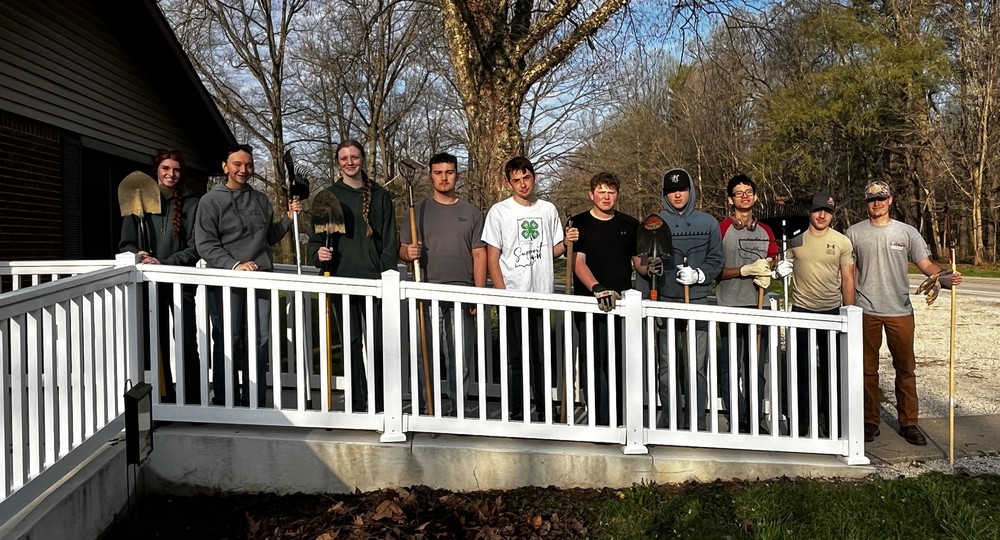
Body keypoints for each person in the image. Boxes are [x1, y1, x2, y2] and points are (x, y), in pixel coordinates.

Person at [846, 181, 962, 445]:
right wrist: (849, 307)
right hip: (866, 311)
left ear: (890, 200)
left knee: (906, 369)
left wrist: (942, 277)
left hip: (900, 311)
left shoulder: (907, 232)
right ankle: (869, 421)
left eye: (881, 198)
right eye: (872, 199)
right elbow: (849, 273)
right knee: (866, 370)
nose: (876, 202)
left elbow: (925, 264)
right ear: (866, 203)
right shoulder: (853, 233)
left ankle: (908, 423)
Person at [194, 143, 301, 407]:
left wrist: (289, 218)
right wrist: (234, 265)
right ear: (225, 167)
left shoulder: (261, 200)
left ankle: (255, 399)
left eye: (249, 165)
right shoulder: (211, 201)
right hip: (225, 279)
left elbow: (268, 237)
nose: (244, 170)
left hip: (260, 277)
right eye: (237, 164)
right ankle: (225, 399)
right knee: (228, 338)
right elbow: (206, 244)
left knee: (260, 339)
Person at [482, 156, 577, 421]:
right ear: (508, 183)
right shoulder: (499, 212)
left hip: (541, 294)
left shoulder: (547, 209)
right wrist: (501, 293)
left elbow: (553, 250)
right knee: (515, 357)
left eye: (526, 178)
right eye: (516, 180)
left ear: (534, 177)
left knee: (540, 355)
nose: (522, 184)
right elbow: (492, 256)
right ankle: (517, 409)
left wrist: (567, 242)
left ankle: (545, 408)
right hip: (514, 294)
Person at [309, 139, 398, 413]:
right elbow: (315, 241)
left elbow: (389, 242)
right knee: (351, 342)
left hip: (375, 282)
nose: (350, 162)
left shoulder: (380, 196)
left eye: (355, 157)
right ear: (338, 162)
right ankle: (357, 404)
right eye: (344, 158)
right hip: (341, 279)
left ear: (362, 159)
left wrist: (385, 276)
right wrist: (318, 254)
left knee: (378, 344)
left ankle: (381, 403)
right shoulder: (328, 197)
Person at [399, 152, 486, 416]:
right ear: (431, 176)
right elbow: (402, 249)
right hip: (426, 292)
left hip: (461, 292)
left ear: (457, 175)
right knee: (425, 355)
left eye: (449, 172)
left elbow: (479, 254)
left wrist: (478, 294)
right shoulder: (416, 211)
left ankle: (458, 410)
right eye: (438, 173)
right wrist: (408, 253)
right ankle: (427, 408)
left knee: (459, 357)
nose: (444, 177)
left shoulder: (471, 213)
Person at [569, 171, 653, 426]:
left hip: (621, 307)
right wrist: (597, 288)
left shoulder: (630, 224)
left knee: (618, 362)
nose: (606, 197)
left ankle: (618, 419)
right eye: (601, 192)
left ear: (617, 195)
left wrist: (651, 266)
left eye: (611, 192)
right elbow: (577, 262)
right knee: (594, 362)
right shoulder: (579, 222)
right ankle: (598, 419)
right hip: (590, 304)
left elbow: (639, 263)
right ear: (591, 194)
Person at [119, 149, 201, 404]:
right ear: (156, 170)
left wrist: (165, 262)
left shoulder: (192, 203)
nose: (171, 174)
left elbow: (195, 248)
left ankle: (193, 398)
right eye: (166, 168)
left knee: (187, 340)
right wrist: (137, 253)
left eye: (176, 170)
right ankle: (164, 398)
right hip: (150, 282)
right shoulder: (139, 200)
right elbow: (126, 243)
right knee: (156, 340)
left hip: (180, 282)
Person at [647, 168, 723, 431]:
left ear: (690, 190)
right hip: (665, 302)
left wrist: (700, 275)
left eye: (681, 189)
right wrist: (651, 269)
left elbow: (716, 259)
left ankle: (696, 423)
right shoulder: (655, 223)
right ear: (664, 194)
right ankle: (670, 422)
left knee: (696, 366)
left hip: (697, 301)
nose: (677, 195)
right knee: (667, 367)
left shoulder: (708, 223)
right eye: (671, 191)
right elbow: (645, 259)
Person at [715, 174, 788, 434]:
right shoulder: (721, 229)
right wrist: (743, 270)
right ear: (730, 200)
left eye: (749, 192)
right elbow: (714, 270)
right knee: (731, 367)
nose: (744, 196)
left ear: (755, 197)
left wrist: (776, 269)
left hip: (759, 306)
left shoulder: (766, 231)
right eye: (739, 193)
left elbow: (772, 261)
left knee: (756, 368)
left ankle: (756, 420)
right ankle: (738, 418)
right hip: (730, 306)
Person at [786, 192, 855, 438]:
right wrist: (779, 267)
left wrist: (848, 312)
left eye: (827, 211)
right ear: (810, 212)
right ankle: (802, 419)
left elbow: (848, 279)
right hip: (802, 310)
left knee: (832, 369)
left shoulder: (842, 242)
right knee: (801, 369)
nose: (822, 215)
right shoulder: (795, 240)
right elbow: (781, 265)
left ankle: (832, 420)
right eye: (817, 210)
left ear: (832, 214)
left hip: (831, 311)